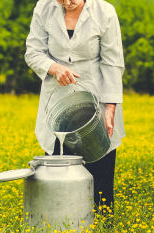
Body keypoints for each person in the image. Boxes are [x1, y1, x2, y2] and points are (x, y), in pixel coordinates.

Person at [24, 0, 125, 214]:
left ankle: (102, 231)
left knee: (100, 169)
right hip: (57, 104)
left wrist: (111, 107)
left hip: (96, 101)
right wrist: (53, 67)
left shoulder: (105, 12)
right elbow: (33, 52)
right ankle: (59, 229)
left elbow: (112, 63)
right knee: (58, 171)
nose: (67, 2)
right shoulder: (43, 8)